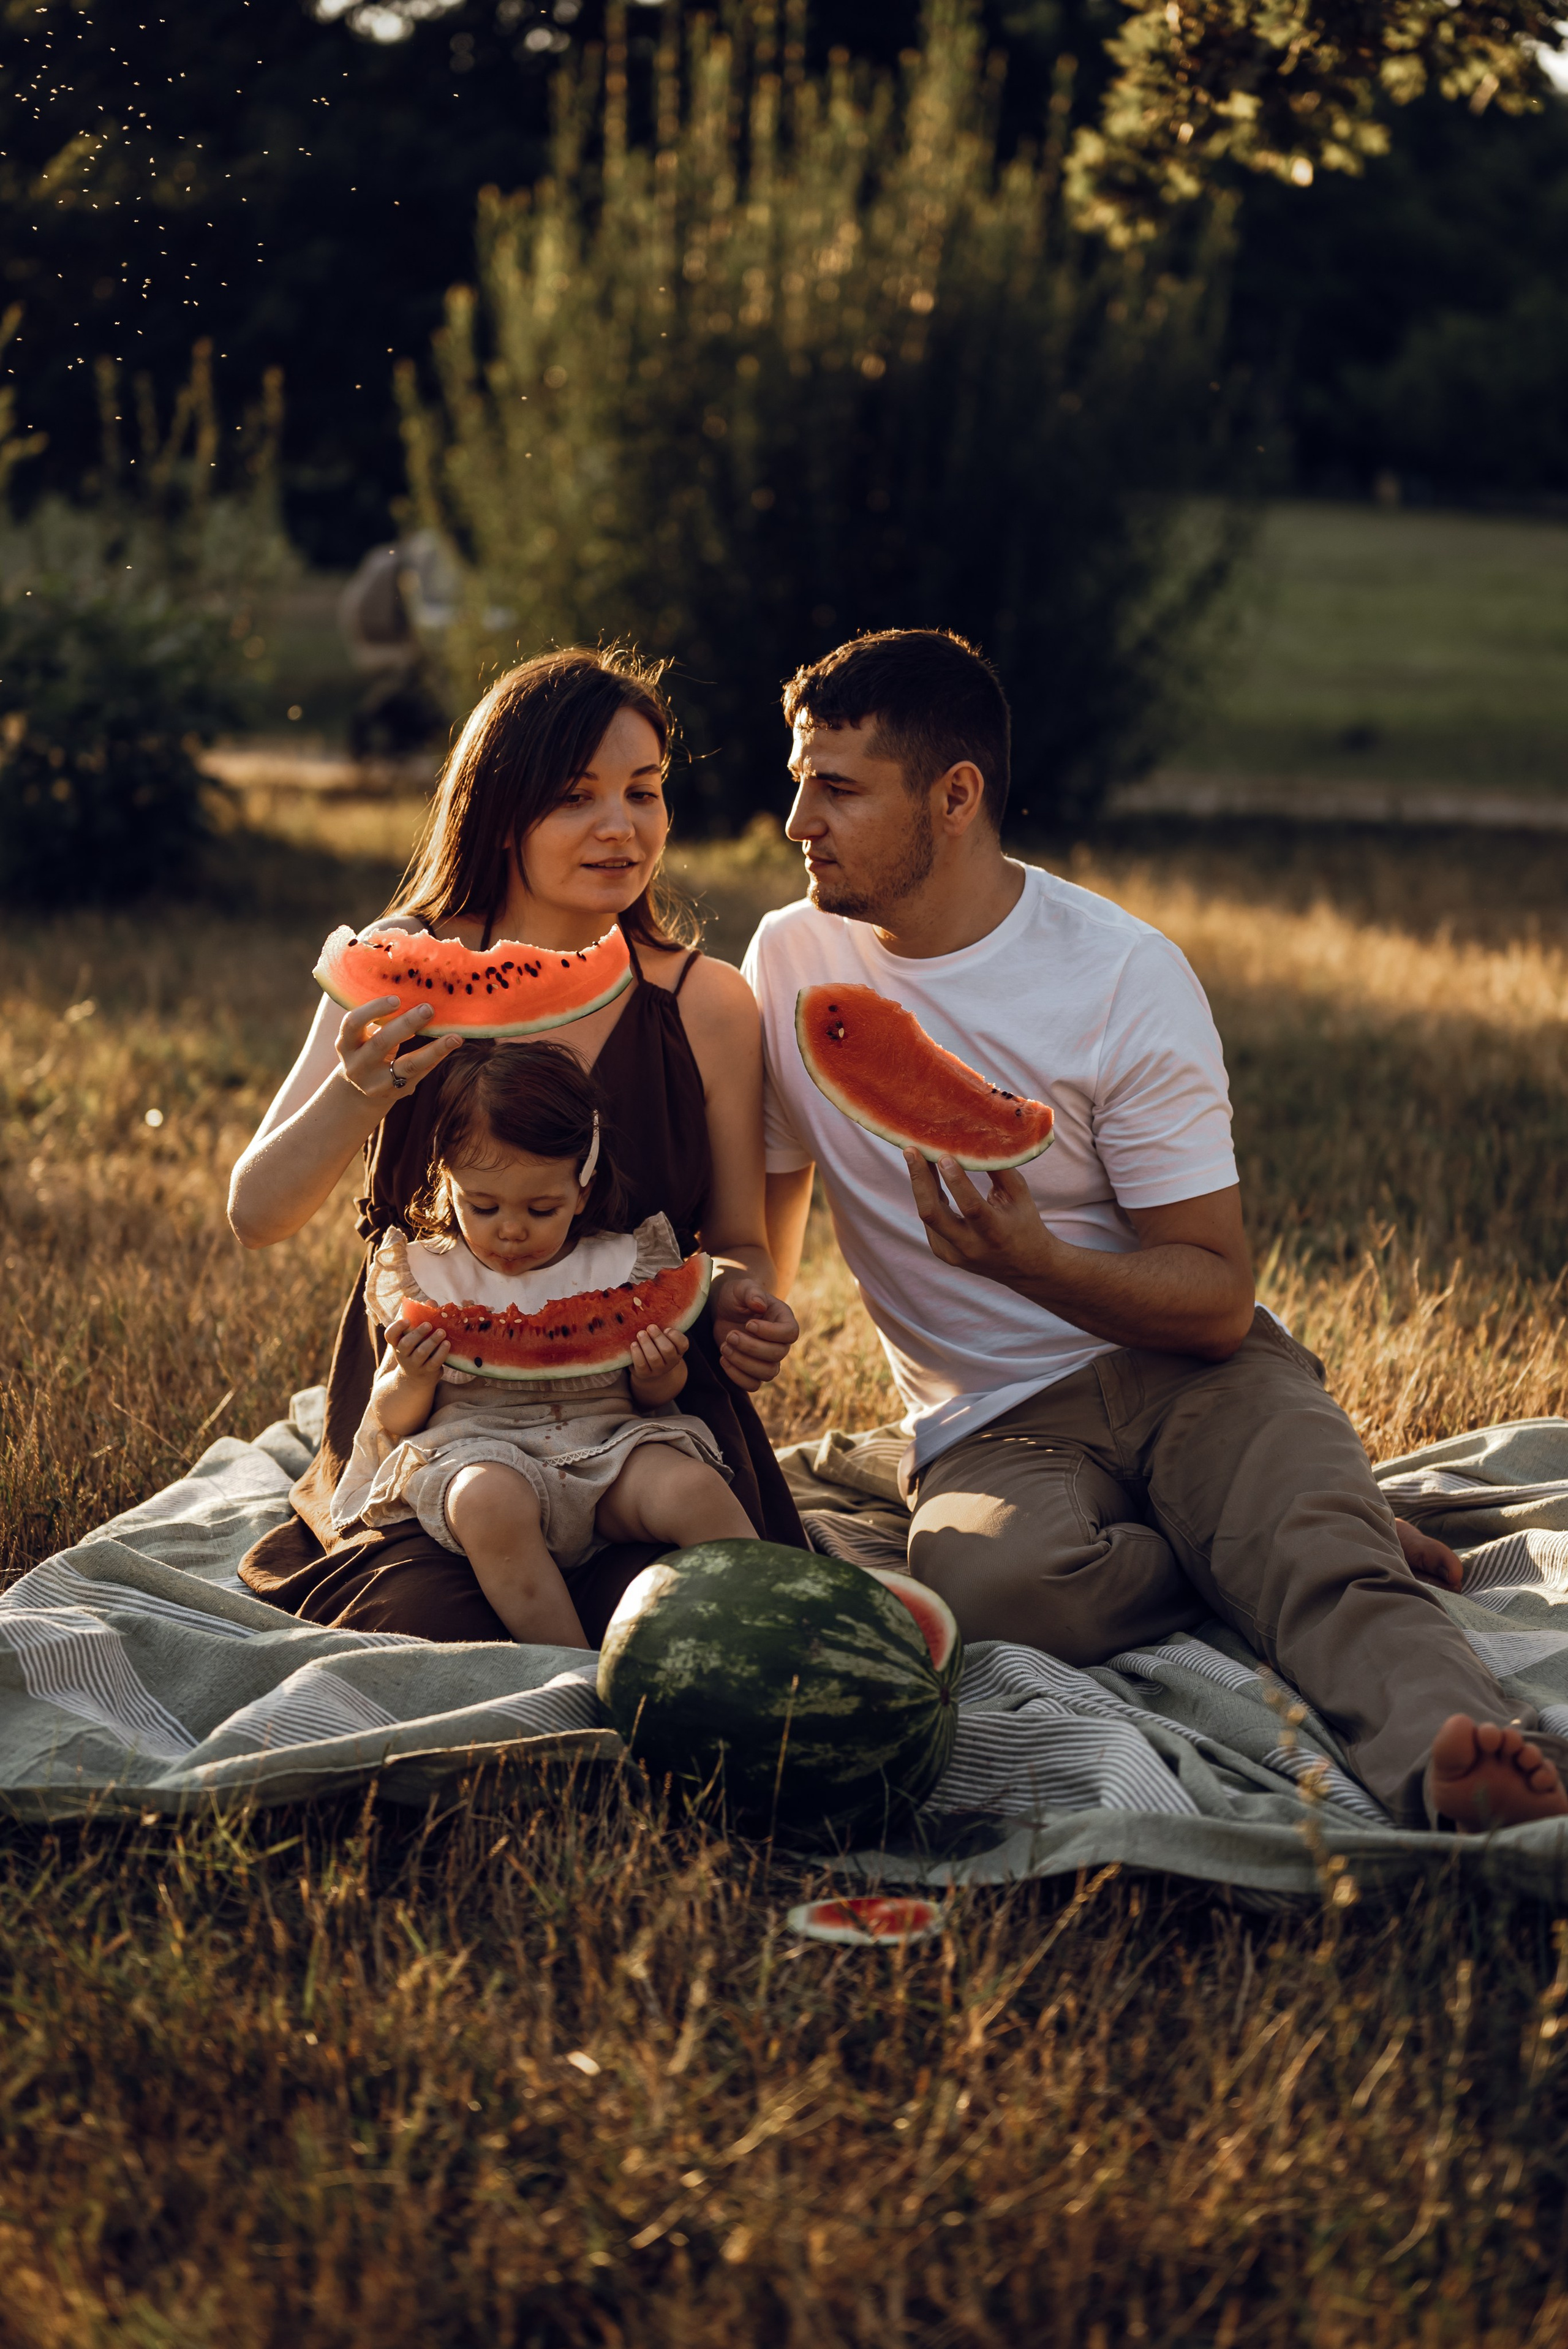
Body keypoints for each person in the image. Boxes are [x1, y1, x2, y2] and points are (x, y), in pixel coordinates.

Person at [744, 626, 1568, 1833]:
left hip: (1198, 1374)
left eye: (836, 788)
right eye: (797, 780)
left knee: (1330, 1575)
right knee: (997, 1592)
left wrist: (1035, 1263)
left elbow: (1215, 1296)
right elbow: (765, 1223)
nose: (795, 822)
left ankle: (1440, 1747)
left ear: (954, 796)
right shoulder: (789, 961)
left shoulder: (1120, 977)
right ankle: (1261, 1536)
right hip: (991, 1429)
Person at [231, 646, 804, 1643]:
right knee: (426, 1627)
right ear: (502, 810)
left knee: (692, 1625)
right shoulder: (400, 969)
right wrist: (355, 1093)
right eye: (577, 796)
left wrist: (746, 1305)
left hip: (640, 1408)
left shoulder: (705, 1002)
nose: (620, 826)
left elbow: (743, 1242)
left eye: (644, 790)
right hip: (441, 1414)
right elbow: (257, 1212)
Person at [335, 1040, 755, 1646]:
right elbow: (392, 1418)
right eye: (482, 1206)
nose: (509, 1229)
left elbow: (655, 1397)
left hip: (608, 1451)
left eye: (541, 1207)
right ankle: (568, 1666)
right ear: (447, 1185)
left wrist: (657, 1372)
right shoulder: (427, 1274)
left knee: (695, 1489)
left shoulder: (622, 1266)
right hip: (476, 1452)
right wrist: (414, 1375)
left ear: (582, 1191)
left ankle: (781, 1619)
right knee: (488, 1503)